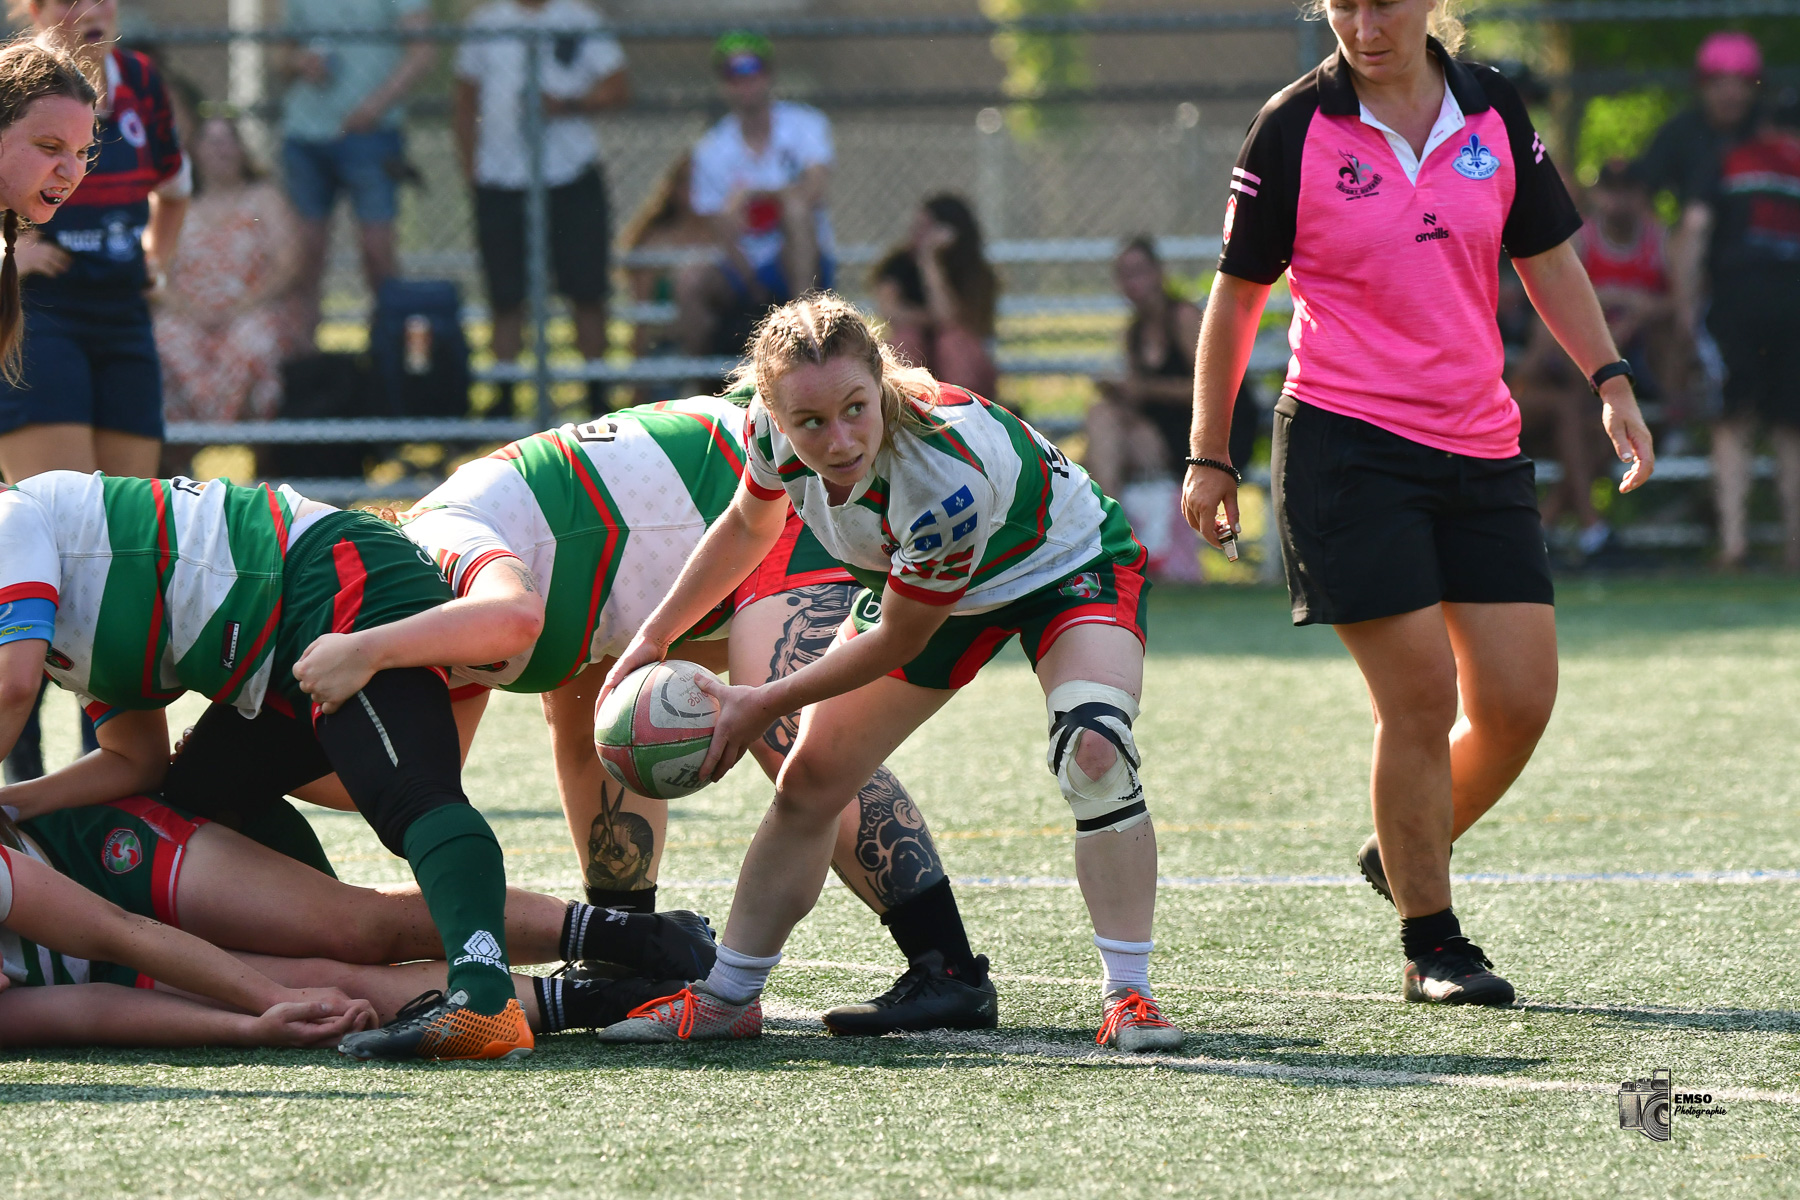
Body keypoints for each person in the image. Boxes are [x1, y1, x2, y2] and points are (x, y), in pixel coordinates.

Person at [1181, 0, 1654, 1005]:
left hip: (1481, 445)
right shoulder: (1292, 127)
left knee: (1519, 702)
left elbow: (1546, 256)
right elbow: (1237, 295)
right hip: (1348, 450)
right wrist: (1209, 454)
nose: (1364, 23)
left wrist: (1611, 381)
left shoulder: (1491, 107)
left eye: (1384, 1)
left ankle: (1401, 849)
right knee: (1423, 698)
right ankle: (1432, 942)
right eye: (1343, 4)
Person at [277, 393, 1000, 1036]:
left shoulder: (436, 540)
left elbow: (516, 616)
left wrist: (364, 650)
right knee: (589, 713)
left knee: (798, 740)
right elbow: (408, 781)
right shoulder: (424, 630)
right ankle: (627, 945)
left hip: (767, 493)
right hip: (661, 544)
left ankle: (948, 966)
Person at [596, 295, 1183, 1052]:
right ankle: (727, 999)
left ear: (881, 380)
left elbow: (900, 639)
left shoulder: (941, 474)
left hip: (1064, 568)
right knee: (811, 781)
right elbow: (748, 523)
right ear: (774, 409)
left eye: (855, 408)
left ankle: (1130, 996)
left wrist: (759, 702)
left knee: (1094, 750)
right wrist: (652, 636)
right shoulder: (767, 425)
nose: (840, 439)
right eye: (811, 421)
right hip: (932, 587)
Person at [0, 472, 536, 1061]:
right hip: (280, 642)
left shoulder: (10, 521)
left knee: (411, 795)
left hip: (325, 575)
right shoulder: (54, 601)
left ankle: (486, 1001)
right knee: (204, 792)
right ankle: (616, 950)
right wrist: (12, 804)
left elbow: (11, 688)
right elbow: (136, 760)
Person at [0, 794, 710, 1049]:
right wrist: (254, 1023)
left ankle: (639, 935)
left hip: (94, 868)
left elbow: (115, 928)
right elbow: (85, 1011)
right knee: (339, 993)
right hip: (100, 954)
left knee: (354, 927)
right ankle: (621, 1000)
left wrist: (265, 998)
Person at [0, 5, 188, 785]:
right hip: (50, 313)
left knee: (114, 549)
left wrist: (154, 263)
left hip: (120, 314)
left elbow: (175, 189)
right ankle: (24, 771)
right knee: (56, 532)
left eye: (81, 151)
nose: (72, 169)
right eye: (50, 149)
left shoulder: (138, 81)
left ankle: (96, 772)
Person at [454, 0, 628, 415]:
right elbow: (463, 100)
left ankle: (596, 391)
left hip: (570, 175)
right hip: (501, 179)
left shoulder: (579, 19)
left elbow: (618, 86)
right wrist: (472, 169)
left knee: (586, 290)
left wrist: (566, 104)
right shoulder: (485, 23)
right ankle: (505, 394)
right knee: (505, 294)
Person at [279, 0, 435, 341]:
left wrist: (373, 108)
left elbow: (423, 52)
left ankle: (387, 352)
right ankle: (305, 357)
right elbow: (280, 54)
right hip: (305, 135)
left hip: (373, 136)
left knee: (377, 252)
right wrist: (299, 62)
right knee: (304, 255)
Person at [1692, 91, 1800, 571]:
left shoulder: (1731, 158)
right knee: (1792, 428)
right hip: (1794, 306)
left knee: (1732, 421)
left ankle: (1734, 543)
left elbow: (1696, 226)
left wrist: (1687, 305)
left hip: (1735, 303)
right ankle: (1795, 546)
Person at [677, 32, 834, 359]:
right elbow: (714, 224)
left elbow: (815, 189)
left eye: (752, 70)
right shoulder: (711, 148)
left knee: (796, 212)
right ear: (723, 84)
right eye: (733, 74)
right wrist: (749, 279)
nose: (744, 83)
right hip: (742, 262)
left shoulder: (806, 124)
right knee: (689, 279)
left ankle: (807, 338)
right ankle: (703, 377)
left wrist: (755, 194)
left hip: (797, 257)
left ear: (769, 74)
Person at [155, 116, 303, 431]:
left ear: (242, 149)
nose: (221, 149)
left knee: (254, 339)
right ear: (194, 151)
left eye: (228, 140)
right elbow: (153, 273)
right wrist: (190, 311)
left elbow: (288, 265)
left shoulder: (264, 198)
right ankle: (192, 441)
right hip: (189, 314)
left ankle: (225, 432)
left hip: (252, 309)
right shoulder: (173, 205)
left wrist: (239, 308)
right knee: (164, 337)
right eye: (211, 141)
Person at [1084, 236, 1259, 501]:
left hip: (1213, 437)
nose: (1132, 282)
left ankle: (1106, 521)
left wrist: (1146, 389)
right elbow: (1139, 399)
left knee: (1101, 444)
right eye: (1123, 274)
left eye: (1138, 271)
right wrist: (1121, 392)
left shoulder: (1183, 318)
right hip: (1165, 431)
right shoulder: (1134, 332)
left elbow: (1213, 391)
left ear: (1158, 272)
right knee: (1100, 423)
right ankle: (1107, 517)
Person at [868, 194, 999, 400]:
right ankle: (907, 408)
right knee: (907, 340)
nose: (918, 233)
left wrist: (929, 262)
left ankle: (961, 409)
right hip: (918, 346)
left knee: (952, 344)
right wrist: (932, 320)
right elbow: (891, 312)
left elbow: (950, 320)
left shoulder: (974, 271)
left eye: (927, 227)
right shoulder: (897, 265)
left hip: (958, 356)